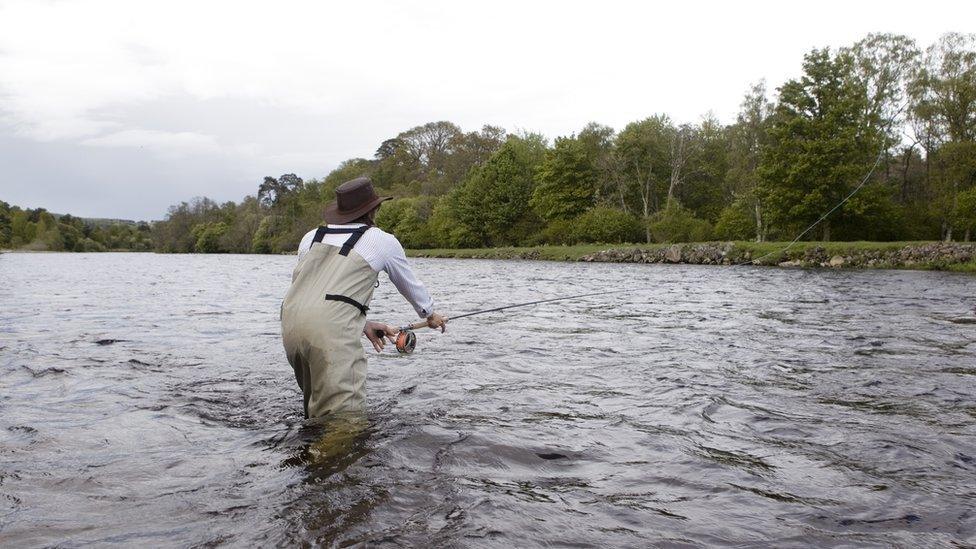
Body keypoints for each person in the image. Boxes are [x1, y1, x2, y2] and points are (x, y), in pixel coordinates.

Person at [280, 176, 446, 419]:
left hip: (290, 326)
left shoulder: (310, 237)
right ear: (374, 209)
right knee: (344, 420)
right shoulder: (381, 241)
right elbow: (412, 287)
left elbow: (314, 297)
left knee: (314, 412)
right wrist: (431, 315)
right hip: (328, 331)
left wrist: (362, 324)